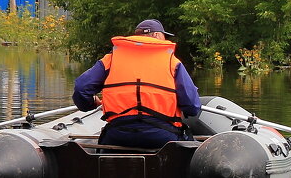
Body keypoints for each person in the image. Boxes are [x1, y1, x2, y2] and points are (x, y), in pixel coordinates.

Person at [73, 19, 201, 148]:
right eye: (164, 35)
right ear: (156, 35)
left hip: (119, 134)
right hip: (162, 136)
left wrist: (90, 104)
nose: (165, 39)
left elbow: (81, 89)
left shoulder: (111, 59)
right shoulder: (172, 62)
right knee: (187, 142)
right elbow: (192, 107)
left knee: (107, 137)